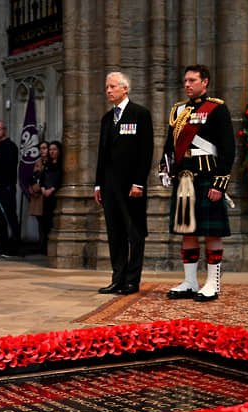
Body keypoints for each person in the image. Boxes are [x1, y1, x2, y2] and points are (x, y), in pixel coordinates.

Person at [161, 64, 235, 302]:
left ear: (205, 82)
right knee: (187, 230)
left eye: (192, 80)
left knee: (212, 232)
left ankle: (212, 283)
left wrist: (219, 184)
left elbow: (228, 149)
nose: (187, 84)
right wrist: (165, 167)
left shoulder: (217, 109)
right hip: (184, 179)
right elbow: (170, 145)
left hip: (207, 178)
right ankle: (190, 282)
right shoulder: (178, 110)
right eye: (186, 80)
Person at [94, 71, 154, 295]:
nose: (108, 90)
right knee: (115, 233)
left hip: (131, 187)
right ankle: (117, 278)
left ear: (124, 88)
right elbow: (102, 154)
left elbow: (145, 152)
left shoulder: (140, 114)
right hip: (109, 187)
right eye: (106, 87)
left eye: (112, 87)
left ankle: (132, 280)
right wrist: (98, 185)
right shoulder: (107, 119)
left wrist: (139, 182)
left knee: (134, 233)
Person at [0, 121, 20, 256]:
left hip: (7, 186)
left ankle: (14, 247)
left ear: (5, 130)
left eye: (0, 129)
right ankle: (3, 245)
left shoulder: (10, 146)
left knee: (10, 215)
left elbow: (8, 165)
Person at [35, 141, 63, 255]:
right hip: (45, 196)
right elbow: (41, 180)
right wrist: (43, 189)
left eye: (54, 149)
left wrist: (52, 190)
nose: (52, 152)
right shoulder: (47, 165)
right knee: (45, 223)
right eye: (50, 149)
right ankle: (45, 248)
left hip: (54, 196)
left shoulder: (61, 165)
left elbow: (60, 179)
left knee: (53, 221)